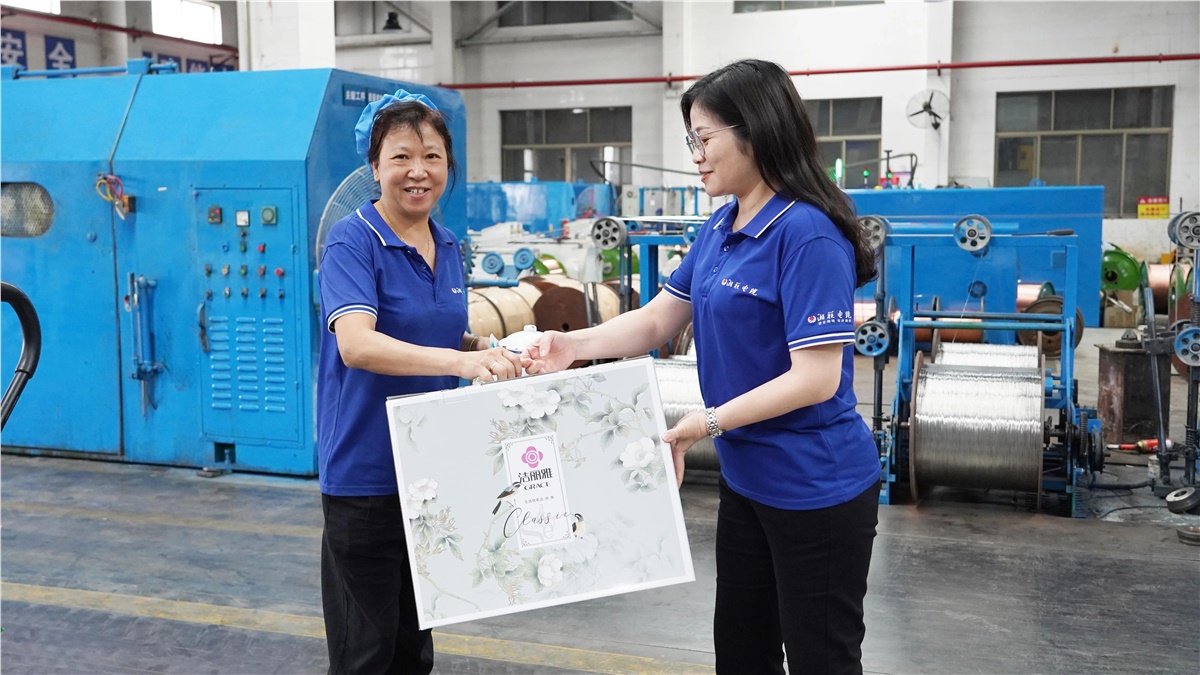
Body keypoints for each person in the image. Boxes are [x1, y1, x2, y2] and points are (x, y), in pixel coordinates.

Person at [523, 59, 881, 674]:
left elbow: (816, 378)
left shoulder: (807, 235)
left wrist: (706, 423)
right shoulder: (722, 225)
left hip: (814, 487)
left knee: (822, 659)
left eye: (704, 138)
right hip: (747, 481)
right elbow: (658, 319)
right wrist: (572, 346)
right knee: (741, 653)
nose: (695, 154)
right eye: (692, 139)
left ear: (756, 132)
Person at [317, 89, 522, 674]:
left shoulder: (447, 244)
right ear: (374, 166)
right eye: (401, 157)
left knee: (413, 650)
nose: (418, 171)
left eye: (432, 157)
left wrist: (485, 349)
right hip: (366, 474)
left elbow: (435, 330)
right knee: (366, 654)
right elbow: (357, 344)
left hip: (430, 474)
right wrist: (459, 365)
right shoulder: (352, 240)